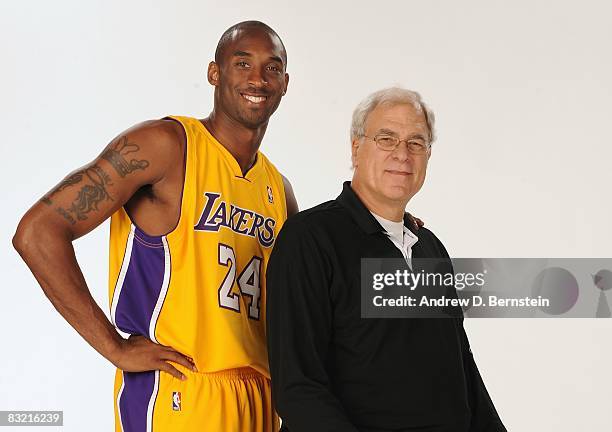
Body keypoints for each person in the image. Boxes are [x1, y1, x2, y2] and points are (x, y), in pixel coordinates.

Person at [13, 20, 297, 432]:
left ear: (285, 83)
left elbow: (306, 298)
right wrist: (114, 347)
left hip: (261, 399)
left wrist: (390, 226)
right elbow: (37, 232)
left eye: (271, 68)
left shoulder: (279, 189)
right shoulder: (165, 145)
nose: (258, 78)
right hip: (180, 390)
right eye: (242, 63)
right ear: (214, 73)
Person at [266, 87, 507, 431]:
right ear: (356, 147)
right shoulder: (310, 239)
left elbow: (462, 370)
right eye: (387, 139)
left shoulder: (431, 249)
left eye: (416, 142)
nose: (402, 155)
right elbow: (299, 389)